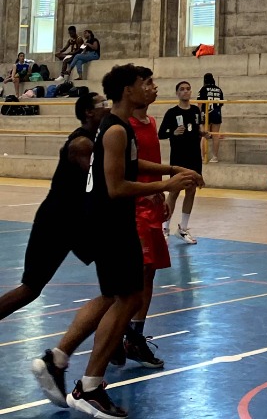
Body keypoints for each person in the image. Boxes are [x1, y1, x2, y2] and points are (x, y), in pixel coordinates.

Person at [62, 64, 198, 417]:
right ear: (127, 90)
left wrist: (173, 170)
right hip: (108, 222)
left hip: (115, 221)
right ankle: (86, 382)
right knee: (123, 296)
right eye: (145, 82)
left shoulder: (125, 128)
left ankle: (89, 375)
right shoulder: (116, 131)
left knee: (128, 295)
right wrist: (166, 186)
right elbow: (117, 186)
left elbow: (136, 167)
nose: (151, 86)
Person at [0, 92, 105, 325]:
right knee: (31, 288)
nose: (107, 107)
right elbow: (99, 183)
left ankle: (115, 339)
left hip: (78, 222)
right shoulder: (82, 144)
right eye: (102, 104)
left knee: (117, 279)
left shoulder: (96, 139)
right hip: (56, 222)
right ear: (89, 112)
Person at [125, 80, 171, 368]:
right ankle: (124, 335)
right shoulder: (124, 126)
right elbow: (130, 168)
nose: (154, 88)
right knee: (136, 271)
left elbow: (152, 162)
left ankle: (134, 336)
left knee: (150, 271)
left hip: (152, 205)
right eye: (148, 83)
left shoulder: (151, 121)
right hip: (133, 205)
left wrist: (161, 191)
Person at [159, 81, 205, 243]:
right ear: (177, 93)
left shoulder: (195, 111)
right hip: (179, 158)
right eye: (182, 89)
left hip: (194, 157)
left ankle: (183, 229)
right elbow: (161, 133)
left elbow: (196, 129)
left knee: (191, 191)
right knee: (174, 192)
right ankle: (165, 227)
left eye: (188, 89)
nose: (185, 92)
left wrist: (202, 133)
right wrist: (173, 132)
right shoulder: (172, 113)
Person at [197, 72, 225, 161]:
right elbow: (221, 103)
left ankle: (203, 157)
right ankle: (215, 157)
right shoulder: (219, 89)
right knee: (215, 135)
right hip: (217, 113)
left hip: (206, 113)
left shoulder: (203, 89)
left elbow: (199, 103)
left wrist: (198, 115)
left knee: (204, 135)